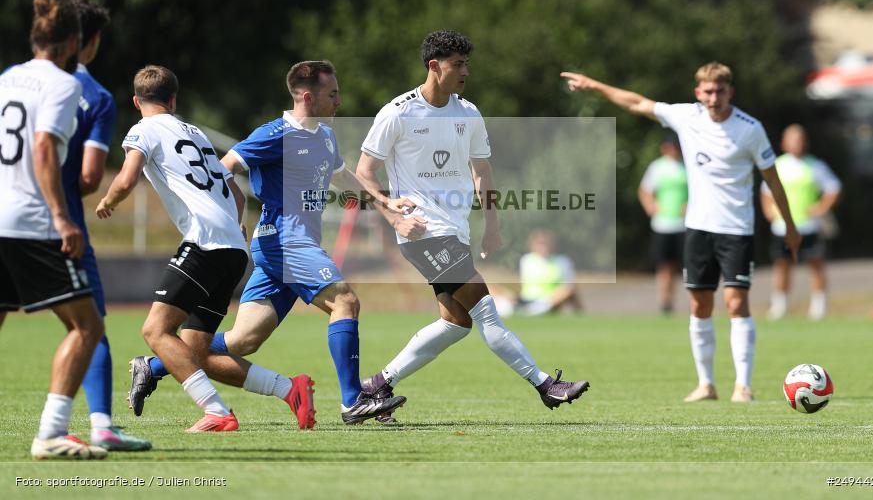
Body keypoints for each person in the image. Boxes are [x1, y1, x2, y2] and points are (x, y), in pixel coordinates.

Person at [126, 61, 407, 425]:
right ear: (308, 96)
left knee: (242, 341)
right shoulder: (274, 134)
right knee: (346, 301)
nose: (339, 102)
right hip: (284, 242)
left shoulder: (324, 135)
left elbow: (344, 178)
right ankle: (353, 401)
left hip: (292, 245)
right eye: (332, 94)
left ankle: (153, 365)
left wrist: (386, 204)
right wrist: (231, 219)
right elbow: (223, 169)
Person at [356, 30, 590, 421]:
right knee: (485, 311)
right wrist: (392, 213)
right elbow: (364, 172)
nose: (465, 71)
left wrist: (492, 224)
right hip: (424, 232)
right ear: (434, 66)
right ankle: (546, 385)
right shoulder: (397, 112)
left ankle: (376, 386)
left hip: (455, 231)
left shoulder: (468, 112)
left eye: (467, 64)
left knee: (456, 322)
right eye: (457, 64)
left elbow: (482, 170)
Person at [561, 62, 800, 403]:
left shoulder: (750, 129)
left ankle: (743, 386)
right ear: (697, 92)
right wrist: (594, 85)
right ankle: (706, 384)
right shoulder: (686, 117)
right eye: (707, 91)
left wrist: (789, 226)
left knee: (735, 302)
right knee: (699, 304)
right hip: (699, 229)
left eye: (720, 91)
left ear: (730, 91)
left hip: (737, 229)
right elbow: (637, 103)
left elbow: (772, 180)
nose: (713, 97)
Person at [97, 65, 274, 433]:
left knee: (155, 331)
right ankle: (282, 391)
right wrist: (235, 223)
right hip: (233, 249)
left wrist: (108, 200)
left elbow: (128, 176)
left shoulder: (143, 130)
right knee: (195, 343)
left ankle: (217, 411)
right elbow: (237, 192)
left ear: (136, 101)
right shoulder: (194, 132)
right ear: (173, 99)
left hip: (205, 242)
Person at [0, 0, 107, 459]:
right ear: (71, 44)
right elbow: (43, 148)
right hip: (30, 222)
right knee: (87, 327)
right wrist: (62, 217)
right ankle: (51, 432)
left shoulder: (6, 79)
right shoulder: (63, 86)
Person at [57, 0, 151, 451]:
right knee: (89, 326)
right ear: (89, 42)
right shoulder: (92, 96)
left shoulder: (9, 81)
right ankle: (98, 428)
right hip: (57, 225)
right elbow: (92, 177)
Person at [760, 124, 841, 321]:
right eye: (793, 140)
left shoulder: (815, 166)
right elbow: (766, 192)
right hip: (783, 227)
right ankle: (780, 307)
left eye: (800, 140)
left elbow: (834, 188)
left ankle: (818, 307)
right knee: (782, 266)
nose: (797, 144)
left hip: (808, 226)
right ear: (784, 143)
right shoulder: (777, 165)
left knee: (815, 264)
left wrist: (821, 208)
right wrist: (769, 211)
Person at [638, 136, 688, 314]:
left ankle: (678, 299)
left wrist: (690, 205)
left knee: (680, 266)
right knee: (663, 265)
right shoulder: (657, 167)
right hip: (662, 224)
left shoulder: (687, 166)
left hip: (683, 224)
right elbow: (645, 190)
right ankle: (664, 301)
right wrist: (650, 206)